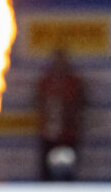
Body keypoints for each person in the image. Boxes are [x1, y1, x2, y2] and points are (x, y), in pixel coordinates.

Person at [35, 48, 87, 180]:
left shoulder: (74, 83)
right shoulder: (45, 82)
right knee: (47, 171)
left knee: (69, 170)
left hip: (69, 135)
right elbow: (38, 103)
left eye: (62, 61)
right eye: (56, 61)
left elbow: (81, 104)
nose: (59, 65)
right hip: (49, 134)